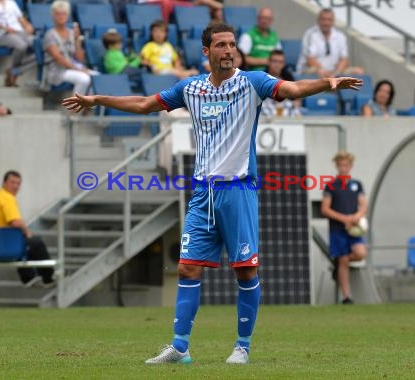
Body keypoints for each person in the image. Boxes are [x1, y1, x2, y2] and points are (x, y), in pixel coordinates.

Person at [62, 22, 361, 364]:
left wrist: (327, 83)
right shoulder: (191, 89)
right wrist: (97, 98)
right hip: (203, 193)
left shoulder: (253, 82)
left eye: (232, 44)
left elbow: (292, 89)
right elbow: (145, 104)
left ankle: (242, 347)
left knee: (245, 271)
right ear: (206, 51)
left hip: (238, 190)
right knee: (188, 269)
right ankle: (180, 347)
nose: (229, 50)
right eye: (221, 45)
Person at [0, 171, 55, 287]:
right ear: (4, 183)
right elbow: (16, 222)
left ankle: (29, 277)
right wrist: (28, 233)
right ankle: (48, 278)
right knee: (36, 243)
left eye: (18, 183)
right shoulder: (7, 198)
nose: (15, 186)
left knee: (23, 244)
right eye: (12, 182)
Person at [320, 151, 367, 305]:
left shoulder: (357, 185)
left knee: (360, 253)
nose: (343, 168)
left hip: (354, 229)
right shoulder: (331, 186)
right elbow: (325, 209)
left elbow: (363, 205)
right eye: (340, 165)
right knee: (344, 259)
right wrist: (345, 219)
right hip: (338, 230)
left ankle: (338, 267)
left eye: (346, 165)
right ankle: (347, 296)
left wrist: (356, 217)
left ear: (350, 166)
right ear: (337, 166)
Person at [44, 0, 99, 95]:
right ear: (53, 15)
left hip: (73, 67)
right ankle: (74, 107)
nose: (61, 16)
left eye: (64, 14)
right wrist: (77, 69)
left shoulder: (71, 32)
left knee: (97, 76)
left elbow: (80, 58)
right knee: (84, 79)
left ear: (68, 15)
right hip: (57, 70)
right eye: (58, 14)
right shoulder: (50, 35)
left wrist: (77, 39)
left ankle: (88, 106)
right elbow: (58, 58)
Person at [0, 0, 35, 87]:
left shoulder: (11, 2)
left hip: (19, 31)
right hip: (3, 33)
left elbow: (22, 19)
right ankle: (14, 73)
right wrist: (2, 26)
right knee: (22, 46)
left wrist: (28, 26)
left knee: (39, 45)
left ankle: (14, 70)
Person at [296, 8, 364, 77]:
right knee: (321, 72)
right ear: (318, 20)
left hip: (333, 71)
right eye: (323, 19)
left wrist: (337, 72)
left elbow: (344, 59)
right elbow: (310, 60)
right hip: (312, 70)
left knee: (359, 71)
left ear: (333, 21)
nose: (326, 23)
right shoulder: (310, 34)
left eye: (329, 20)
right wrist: (326, 72)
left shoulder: (340, 36)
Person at [261, 50, 302, 117]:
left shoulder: (288, 77)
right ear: (269, 62)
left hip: (284, 108)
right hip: (265, 108)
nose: (277, 65)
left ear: (283, 64)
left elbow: (296, 98)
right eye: (274, 61)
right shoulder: (261, 76)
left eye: (280, 62)